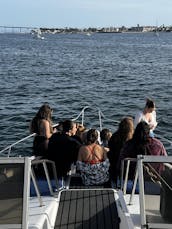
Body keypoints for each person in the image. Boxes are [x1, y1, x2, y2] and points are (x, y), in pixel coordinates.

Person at [108, 117, 134, 186]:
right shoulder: (133, 140)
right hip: (129, 169)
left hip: (115, 167)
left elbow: (110, 148)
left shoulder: (114, 137)